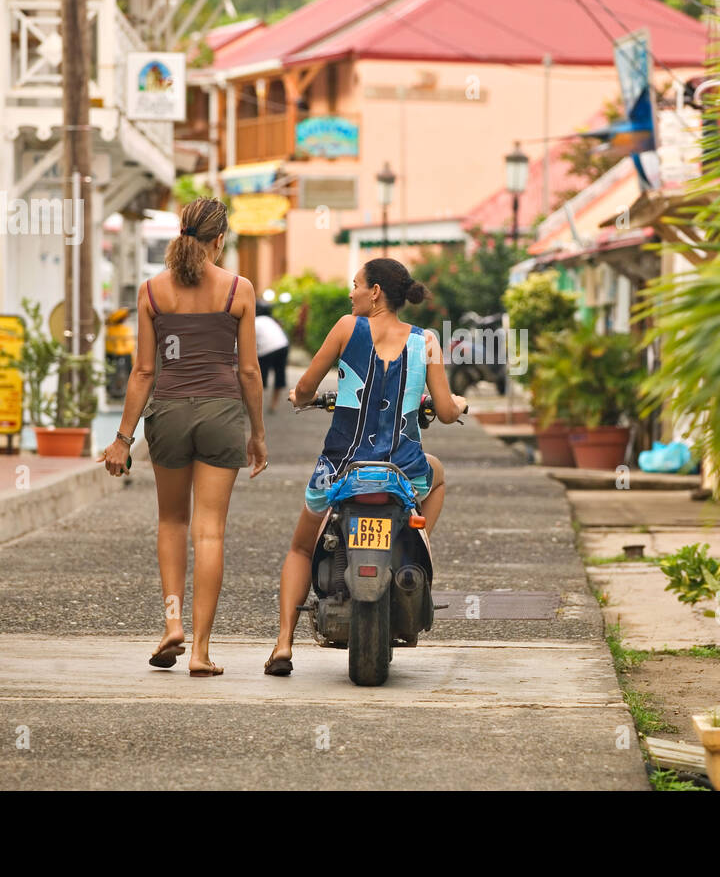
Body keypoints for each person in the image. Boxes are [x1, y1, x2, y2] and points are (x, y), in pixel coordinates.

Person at [263, 257, 467, 676]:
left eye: (355, 284)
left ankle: (283, 644)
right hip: (404, 472)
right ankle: (414, 545)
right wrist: (459, 403)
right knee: (439, 474)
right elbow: (445, 412)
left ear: (375, 292)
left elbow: (303, 387)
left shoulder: (345, 328)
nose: (351, 292)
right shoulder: (425, 340)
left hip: (340, 468)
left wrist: (301, 399)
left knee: (301, 547)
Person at [99, 197, 269, 678]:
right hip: (221, 413)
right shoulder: (239, 289)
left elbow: (144, 371)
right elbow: (250, 371)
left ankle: (172, 622)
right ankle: (199, 651)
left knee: (171, 522)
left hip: (168, 415)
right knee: (209, 531)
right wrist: (257, 433)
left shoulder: (153, 292)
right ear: (219, 240)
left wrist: (122, 438)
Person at [254, 301, 290, 411]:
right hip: (283, 346)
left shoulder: (254, 321)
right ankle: (273, 405)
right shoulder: (272, 320)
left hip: (266, 350)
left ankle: (254, 405)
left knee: (258, 379)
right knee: (280, 376)